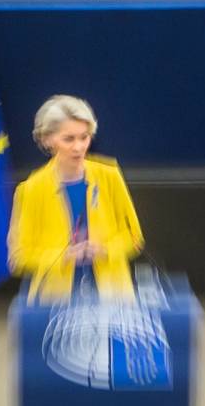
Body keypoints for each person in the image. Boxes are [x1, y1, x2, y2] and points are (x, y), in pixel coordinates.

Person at [9, 94, 145, 300]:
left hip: (112, 294)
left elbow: (134, 238)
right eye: (69, 139)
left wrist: (106, 250)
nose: (79, 147)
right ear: (47, 140)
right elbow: (19, 256)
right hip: (56, 299)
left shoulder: (110, 175)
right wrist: (62, 257)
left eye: (84, 137)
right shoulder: (31, 189)